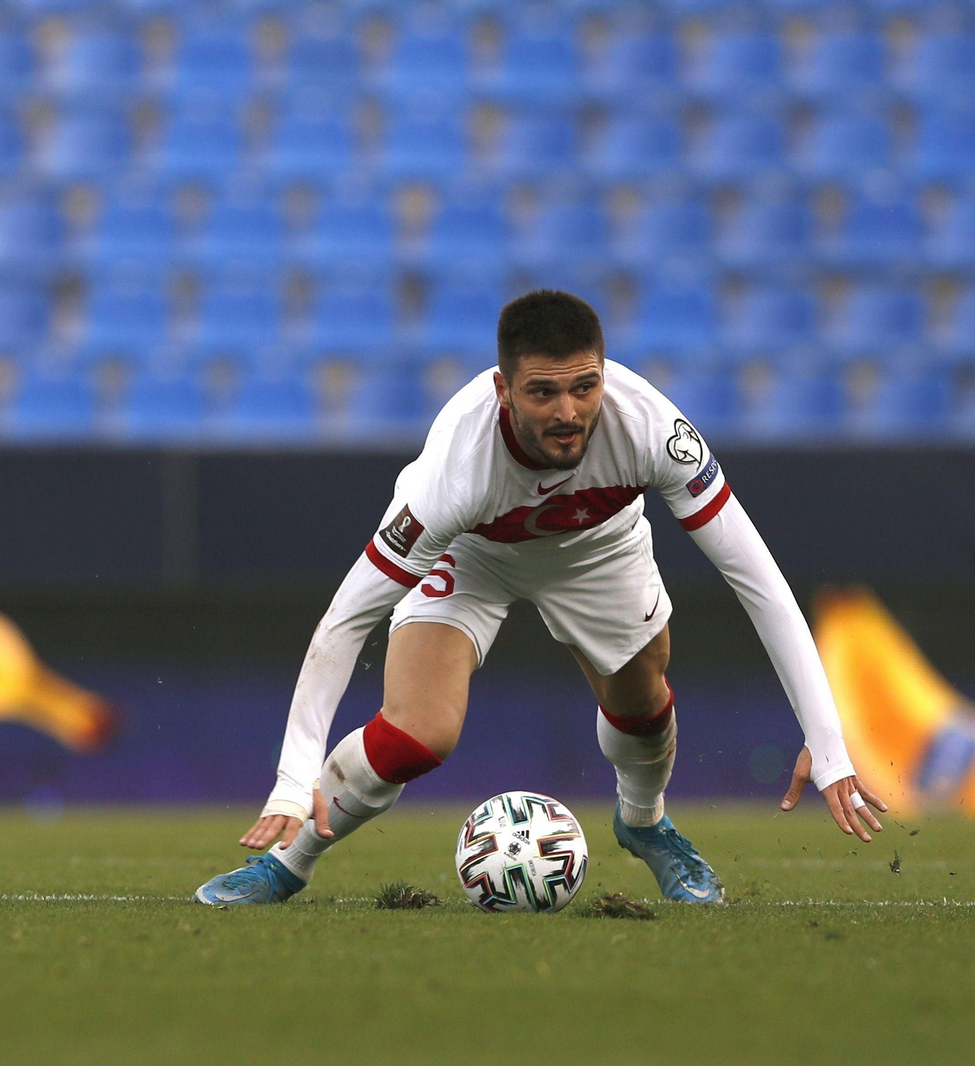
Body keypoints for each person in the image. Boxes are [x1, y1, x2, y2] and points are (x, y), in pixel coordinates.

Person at [194, 289, 887, 906]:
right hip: (471, 554)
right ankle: (290, 864)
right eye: (543, 393)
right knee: (417, 731)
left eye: (585, 387)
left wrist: (828, 746)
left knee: (643, 704)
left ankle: (644, 822)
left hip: (598, 548)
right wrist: (293, 777)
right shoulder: (453, 476)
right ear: (503, 389)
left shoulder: (650, 428)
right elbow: (345, 623)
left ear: (604, 375)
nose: (568, 412)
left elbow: (759, 582)